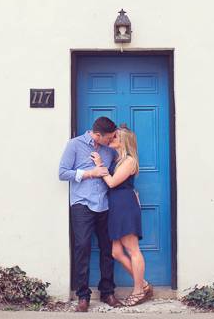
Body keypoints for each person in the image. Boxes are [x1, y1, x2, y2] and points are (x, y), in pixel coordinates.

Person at [58, 116, 123, 312]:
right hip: (82, 205)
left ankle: (107, 292)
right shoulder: (75, 145)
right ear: (97, 135)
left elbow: (115, 175)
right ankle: (83, 296)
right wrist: (89, 173)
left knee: (107, 248)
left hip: (104, 204)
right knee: (82, 248)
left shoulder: (110, 150)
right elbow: (62, 173)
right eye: (109, 137)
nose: (112, 140)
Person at [90, 125, 153, 306]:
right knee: (116, 252)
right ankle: (145, 284)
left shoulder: (129, 161)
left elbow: (111, 182)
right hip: (116, 206)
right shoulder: (119, 159)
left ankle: (139, 290)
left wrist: (99, 165)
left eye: (115, 136)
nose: (111, 138)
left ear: (123, 140)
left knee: (133, 250)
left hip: (124, 206)